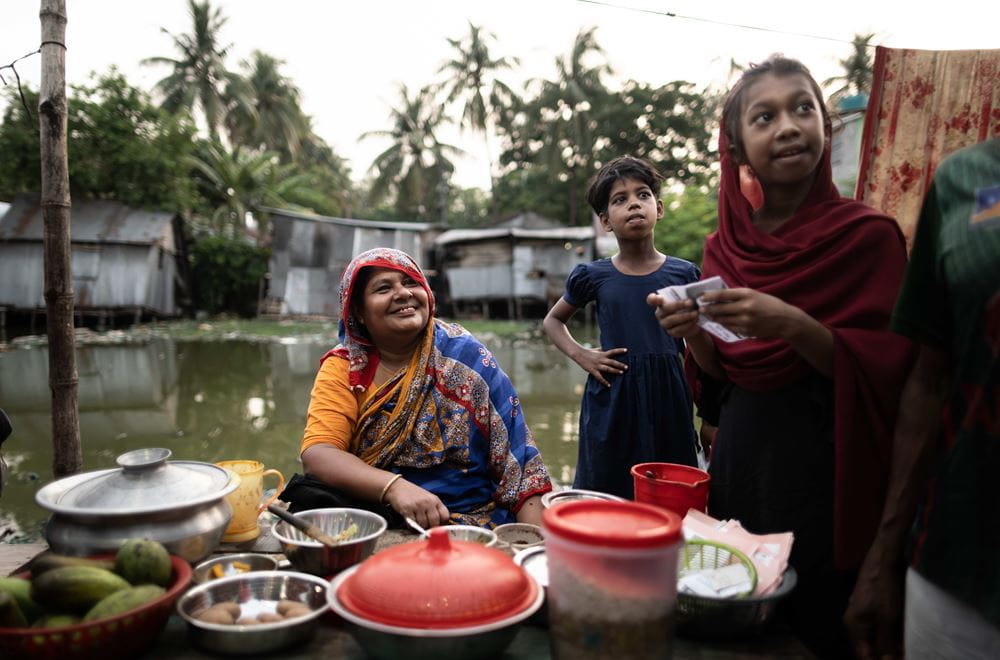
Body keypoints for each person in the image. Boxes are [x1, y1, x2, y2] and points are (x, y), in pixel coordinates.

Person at [647, 56, 914, 658]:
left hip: (830, 467)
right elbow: (723, 377)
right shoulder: (726, 247)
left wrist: (791, 324)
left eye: (802, 109)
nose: (788, 126)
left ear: (828, 125)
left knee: (822, 623)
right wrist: (690, 333)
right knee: (744, 614)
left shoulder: (869, 238)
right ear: (738, 149)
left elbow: (889, 377)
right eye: (764, 117)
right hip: (745, 463)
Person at [845, 138, 1000, 660]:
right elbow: (925, 380)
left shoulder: (866, 237)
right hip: (957, 549)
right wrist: (885, 555)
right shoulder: (965, 178)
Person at [283, 247, 552, 531]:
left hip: (470, 520)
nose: (403, 293)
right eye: (383, 288)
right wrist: (394, 488)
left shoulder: (466, 356)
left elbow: (517, 460)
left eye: (411, 282)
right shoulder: (345, 369)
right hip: (376, 517)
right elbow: (320, 453)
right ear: (358, 311)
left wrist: (536, 546)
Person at [543, 155, 700, 500]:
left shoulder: (684, 274)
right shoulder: (594, 276)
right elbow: (553, 320)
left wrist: (708, 407)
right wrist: (582, 355)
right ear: (605, 222)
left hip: (670, 394)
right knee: (605, 485)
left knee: (670, 487)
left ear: (658, 208)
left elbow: (698, 344)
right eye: (620, 199)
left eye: (642, 195)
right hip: (613, 394)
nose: (633, 205)